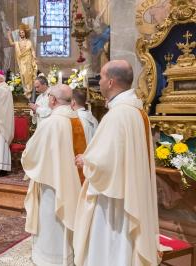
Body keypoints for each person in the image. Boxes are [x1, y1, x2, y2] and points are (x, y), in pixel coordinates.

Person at [73, 60, 160, 266]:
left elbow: (105, 162)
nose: (99, 82)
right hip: (130, 190)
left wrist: (85, 161)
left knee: (110, 245)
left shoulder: (118, 114)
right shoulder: (137, 111)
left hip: (114, 199)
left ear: (111, 82)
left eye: (101, 77)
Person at [22, 84, 86, 266]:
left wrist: (28, 157)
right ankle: (69, 256)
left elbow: (31, 153)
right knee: (69, 214)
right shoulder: (77, 119)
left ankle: (50, 258)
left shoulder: (51, 122)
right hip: (74, 180)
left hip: (52, 182)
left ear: (52, 100)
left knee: (52, 220)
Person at [8, 23, 37, 99]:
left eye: (22, 32)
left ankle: (29, 91)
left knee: (28, 75)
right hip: (21, 61)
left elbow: (32, 50)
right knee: (23, 75)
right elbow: (11, 43)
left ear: (25, 33)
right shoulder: (18, 43)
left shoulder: (29, 42)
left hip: (28, 60)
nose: (21, 34)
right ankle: (26, 90)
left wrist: (34, 58)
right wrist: (9, 35)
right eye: (20, 33)